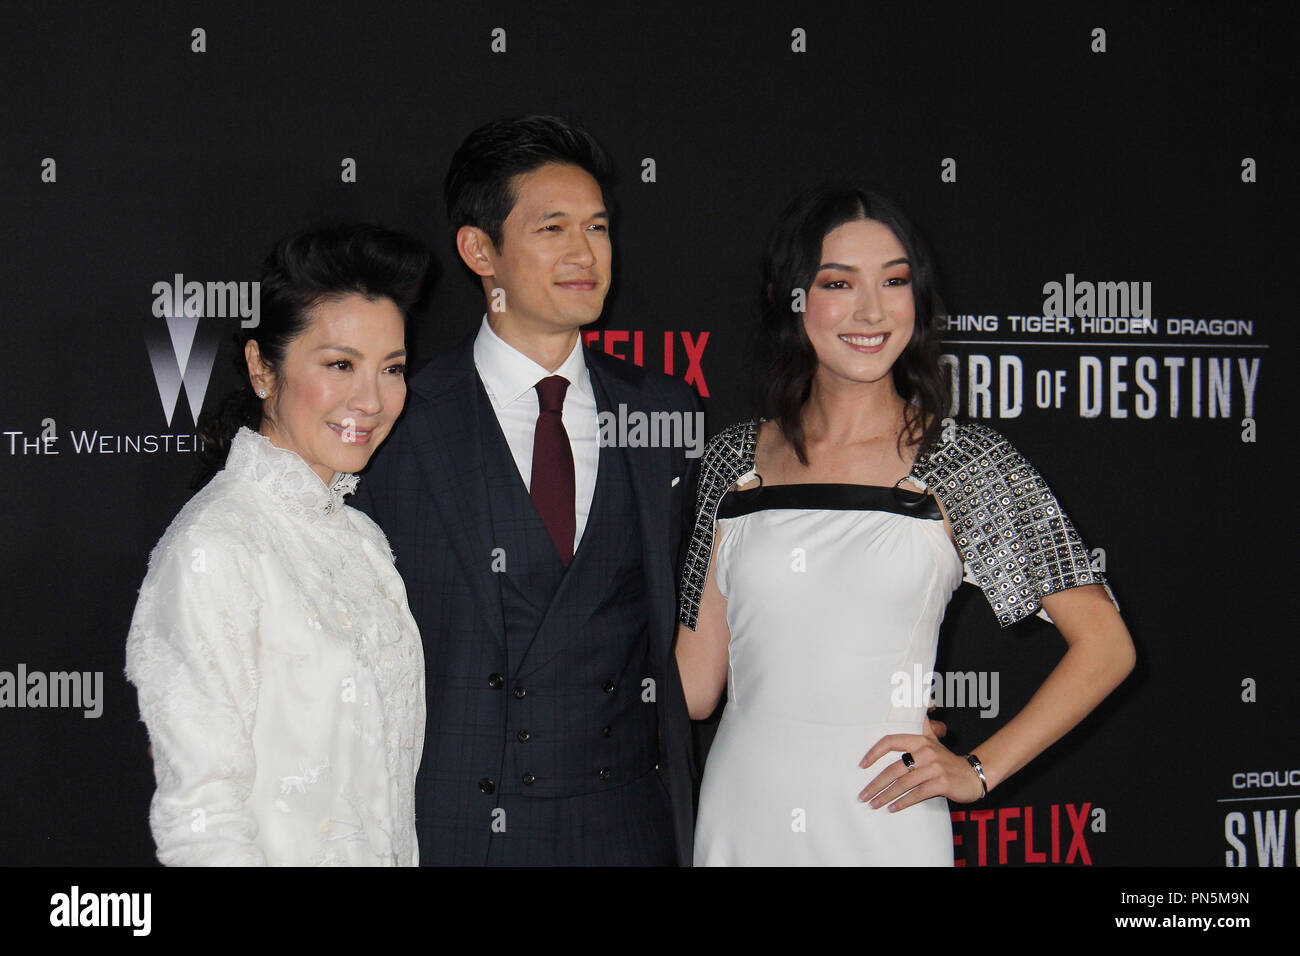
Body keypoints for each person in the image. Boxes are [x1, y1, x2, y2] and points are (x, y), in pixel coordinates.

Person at [675, 184, 1136, 866]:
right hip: (741, 820)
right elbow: (694, 685)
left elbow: (1107, 646)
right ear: (791, 297)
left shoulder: (963, 462)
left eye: (894, 281)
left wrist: (978, 770)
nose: (870, 310)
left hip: (882, 822)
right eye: (838, 282)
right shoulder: (735, 459)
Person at [350, 116, 702, 865]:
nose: (585, 254)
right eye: (553, 228)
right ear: (481, 250)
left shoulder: (666, 415)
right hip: (457, 825)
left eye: (598, 228)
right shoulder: (396, 419)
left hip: (629, 828)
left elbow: (714, 615)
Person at [125, 223, 431, 866]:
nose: (371, 399)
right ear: (264, 368)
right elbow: (201, 821)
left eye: (393, 368)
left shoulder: (361, 538)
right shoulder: (215, 548)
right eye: (340, 364)